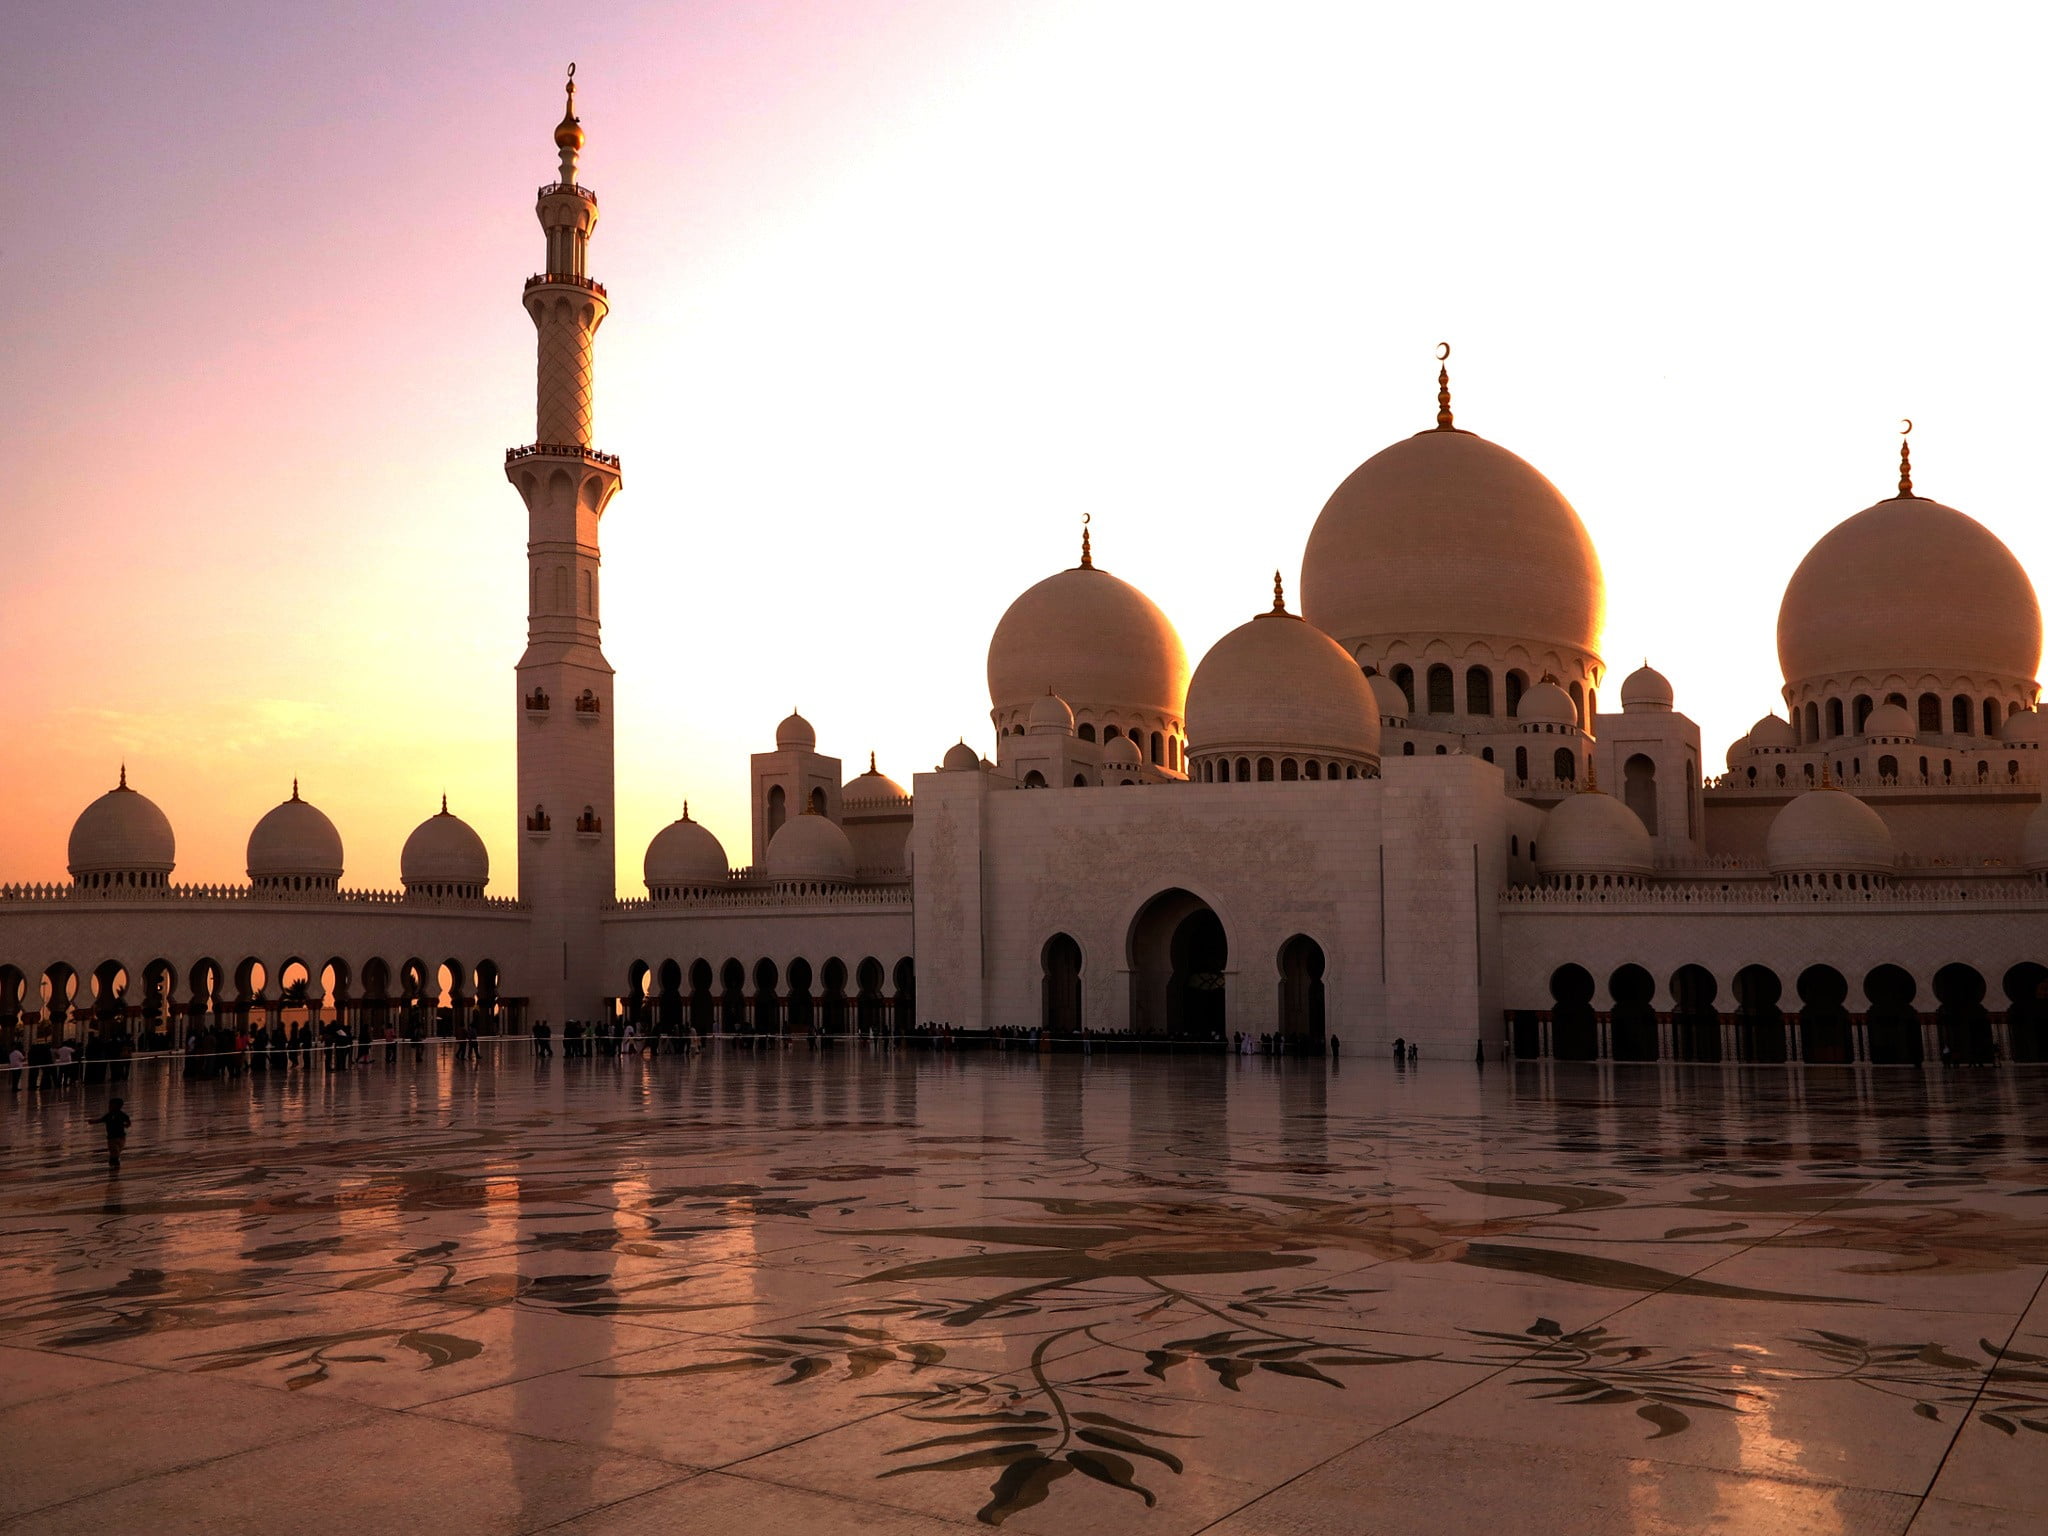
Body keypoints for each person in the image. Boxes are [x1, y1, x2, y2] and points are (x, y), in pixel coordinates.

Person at [92, 1097, 132, 1172]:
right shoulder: (109, 1115)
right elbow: (101, 1120)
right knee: (114, 1152)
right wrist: (93, 1121)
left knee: (116, 1152)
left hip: (121, 1137)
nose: (109, 1107)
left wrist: (126, 1125)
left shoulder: (121, 1115)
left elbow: (128, 1122)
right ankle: (115, 1167)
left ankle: (114, 1166)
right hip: (112, 1138)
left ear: (117, 1106)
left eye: (111, 1105)